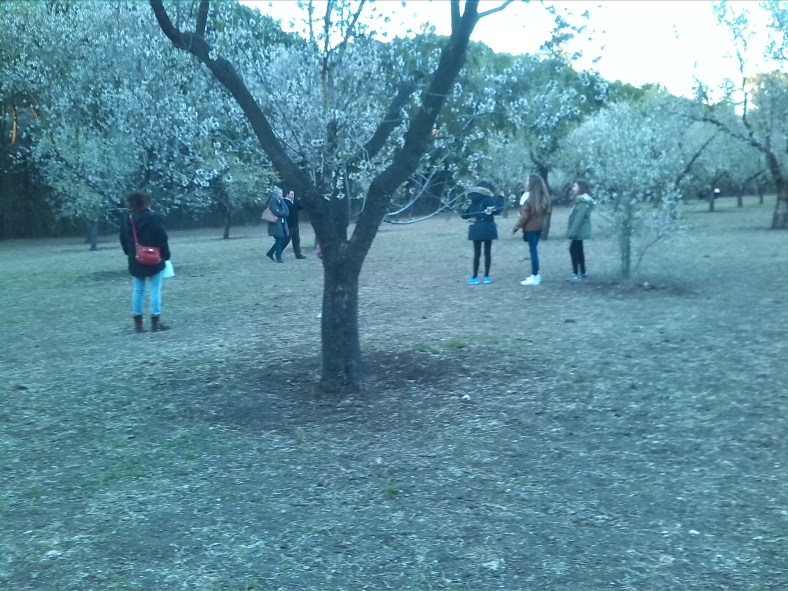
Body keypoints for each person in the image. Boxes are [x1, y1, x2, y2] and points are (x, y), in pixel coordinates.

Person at [119, 191, 171, 332]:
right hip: (155, 258)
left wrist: (130, 253)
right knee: (155, 290)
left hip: (135, 260)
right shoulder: (153, 218)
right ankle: (155, 322)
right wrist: (166, 255)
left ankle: (138, 324)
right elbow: (162, 238)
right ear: (147, 202)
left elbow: (123, 240)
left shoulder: (127, 219)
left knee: (138, 291)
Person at [512, 173, 552, 286]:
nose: (525, 183)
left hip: (530, 229)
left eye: (527, 181)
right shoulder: (543, 197)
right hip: (539, 227)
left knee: (533, 252)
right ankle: (535, 274)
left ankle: (535, 276)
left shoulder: (528, 198)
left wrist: (515, 228)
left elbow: (524, 216)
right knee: (534, 251)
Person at [461, 180, 503, 285]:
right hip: (488, 227)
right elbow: (497, 211)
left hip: (475, 227)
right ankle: (487, 276)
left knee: (477, 253)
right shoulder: (489, 199)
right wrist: (501, 198)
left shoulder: (470, 200)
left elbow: (464, 215)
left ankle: (474, 277)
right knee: (487, 253)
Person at [566, 180, 595, 281]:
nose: (573, 188)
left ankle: (576, 274)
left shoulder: (582, 202)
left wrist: (572, 233)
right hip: (579, 230)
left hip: (578, 231)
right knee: (579, 250)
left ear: (580, 188)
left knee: (573, 250)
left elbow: (578, 219)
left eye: (575, 186)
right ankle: (582, 272)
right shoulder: (581, 201)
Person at [264, 186, 290, 263]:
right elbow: (276, 212)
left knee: (281, 239)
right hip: (275, 225)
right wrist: (282, 213)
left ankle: (270, 253)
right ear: (276, 194)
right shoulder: (273, 202)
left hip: (282, 224)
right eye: (280, 193)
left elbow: (287, 212)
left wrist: (282, 213)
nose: (281, 194)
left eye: (281, 193)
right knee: (279, 239)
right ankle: (278, 257)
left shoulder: (282, 201)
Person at [281, 189, 306, 259]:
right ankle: (278, 252)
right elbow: (291, 208)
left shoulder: (294, 202)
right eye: (291, 194)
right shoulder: (284, 202)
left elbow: (300, 208)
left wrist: (301, 201)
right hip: (288, 225)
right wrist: (297, 201)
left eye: (293, 194)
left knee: (296, 240)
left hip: (295, 225)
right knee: (286, 240)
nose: (293, 196)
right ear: (287, 195)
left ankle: (298, 255)